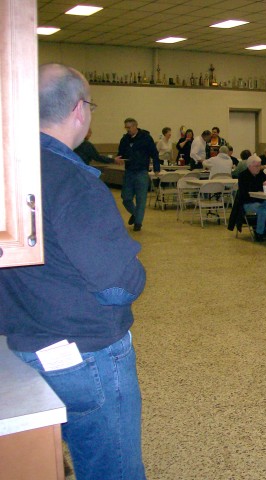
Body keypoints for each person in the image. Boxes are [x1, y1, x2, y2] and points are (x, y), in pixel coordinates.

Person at [0, 63, 147, 480]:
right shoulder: (73, 181)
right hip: (87, 355)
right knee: (112, 468)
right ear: (80, 109)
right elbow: (118, 286)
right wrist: (133, 267)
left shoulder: (10, 172)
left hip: (24, 346)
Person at [116, 117, 160, 231]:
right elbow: (121, 153)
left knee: (141, 199)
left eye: (129, 127)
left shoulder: (146, 138)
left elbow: (154, 154)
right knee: (126, 198)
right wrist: (119, 158)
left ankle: (138, 223)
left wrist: (156, 168)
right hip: (129, 171)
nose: (127, 130)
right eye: (126, 128)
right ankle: (136, 214)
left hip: (141, 172)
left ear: (135, 126)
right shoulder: (125, 139)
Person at [235, 155, 266, 241]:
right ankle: (259, 233)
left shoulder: (262, 175)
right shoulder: (243, 176)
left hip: (262, 200)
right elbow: (244, 194)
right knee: (263, 210)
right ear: (249, 166)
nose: (259, 168)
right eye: (256, 166)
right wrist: (260, 190)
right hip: (248, 202)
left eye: (260, 165)